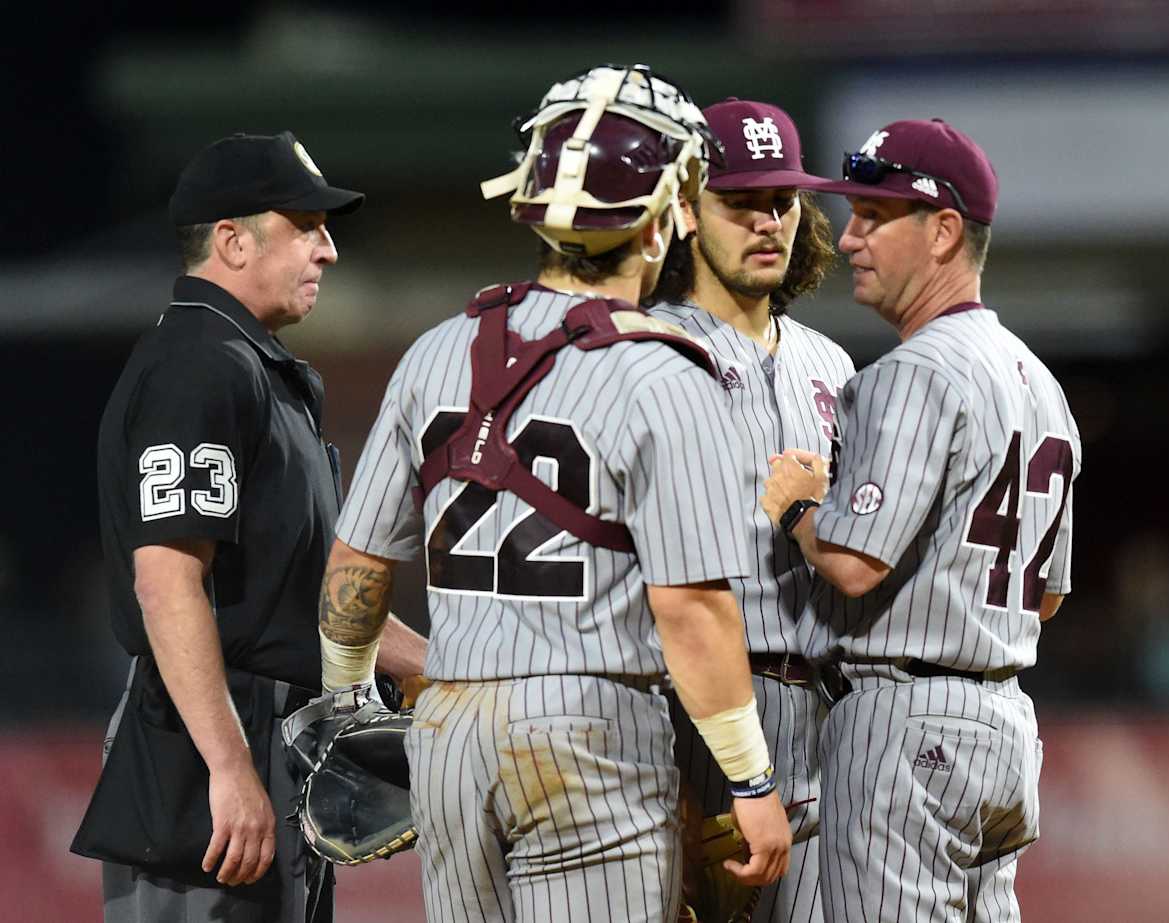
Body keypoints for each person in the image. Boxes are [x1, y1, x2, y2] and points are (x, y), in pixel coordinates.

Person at [307, 65, 792, 923]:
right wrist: (749, 774)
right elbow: (691, 608)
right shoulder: (665, 372)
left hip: (450, 726)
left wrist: (344, 696)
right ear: (655, 222)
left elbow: (355, 567)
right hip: (587, 724)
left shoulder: (436, 349)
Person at [71, 130, 427, 922]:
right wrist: (229, 767)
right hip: (206, 746)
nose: (328, 250)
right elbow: (166, 580)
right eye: (306, 225)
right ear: (231, 240)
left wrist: (436, 666)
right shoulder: (200, 363)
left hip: (269, 737)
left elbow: (299, 598)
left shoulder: (248, 364)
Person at [759, 118, 1082, 923]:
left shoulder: (912, 372)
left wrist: (799, 506)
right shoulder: (1043, 384)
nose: (852, 236)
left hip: (907, 722)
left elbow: (853, 565)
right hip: (1007, 726)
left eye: (876, 216)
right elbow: (1047, 598)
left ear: (943, 231)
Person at [646, 98, 852, 923]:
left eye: (784, 201)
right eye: (742, 202)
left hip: (820, 712)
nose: (769, 221)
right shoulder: (646, 350)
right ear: (688, 212)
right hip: (684, 714)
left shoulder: (831, 364)